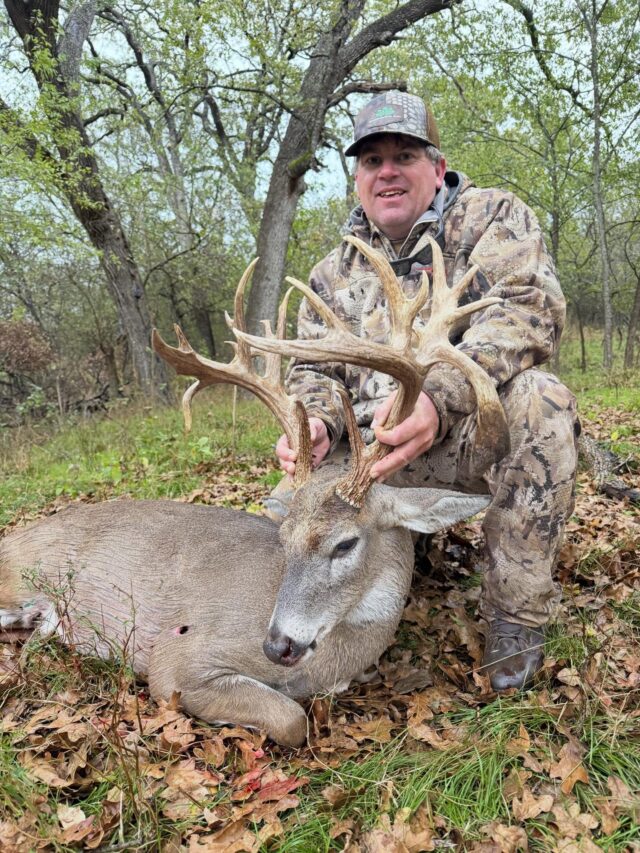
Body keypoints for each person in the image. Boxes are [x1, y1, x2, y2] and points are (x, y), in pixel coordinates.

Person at [274, 90, 579, 691]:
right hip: (366, 463)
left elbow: (527, 310)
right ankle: (335, 598)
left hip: (463, 438)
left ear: (437, 168)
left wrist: (438, 397)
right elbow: (312, 370)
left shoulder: (493, 219)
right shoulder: (333, 273)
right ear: (357, 179)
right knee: (290, 511)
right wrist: (314, 421)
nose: (386, 172)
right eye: (372, 161)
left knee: (541, 400)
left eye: (404, 156)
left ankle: (516, 615)